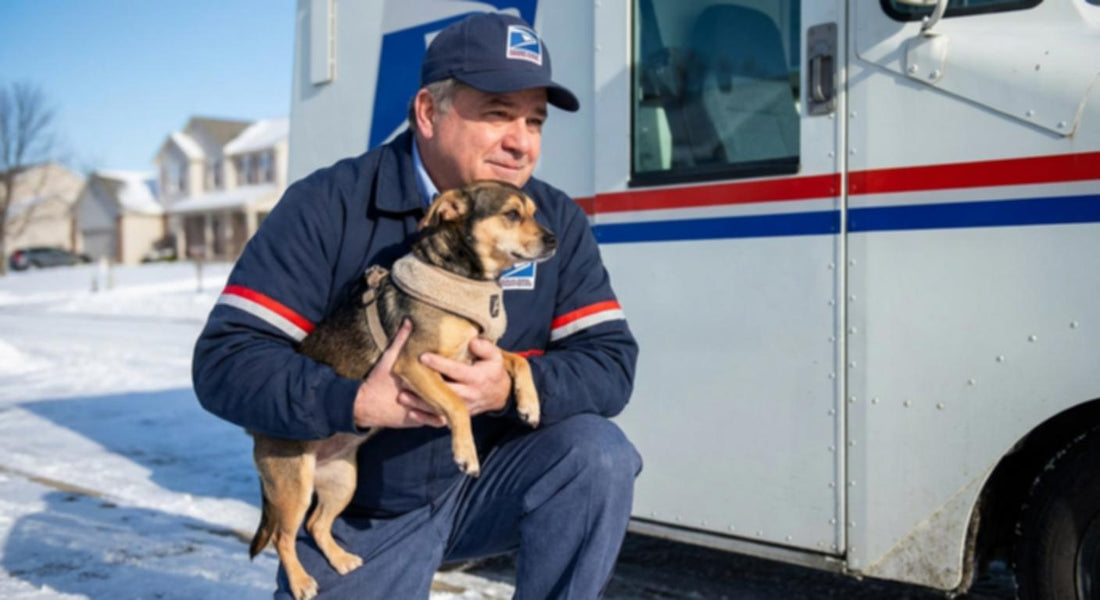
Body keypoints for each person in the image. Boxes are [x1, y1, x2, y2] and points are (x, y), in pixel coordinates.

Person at [193, 12, 641, 599]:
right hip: (366, 509)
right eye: (498, 113)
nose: (521, 140)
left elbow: (610, 362)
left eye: (535, 120)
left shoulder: (551, 220)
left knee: (597, 456)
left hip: (489, 481)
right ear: (429, 113)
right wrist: (351, 401)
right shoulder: (329, 205)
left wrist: (510, 387)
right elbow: (226, 362)